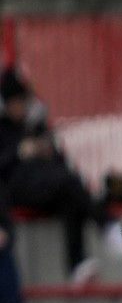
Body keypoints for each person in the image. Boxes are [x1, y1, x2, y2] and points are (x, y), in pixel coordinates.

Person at [0, 65, 103, 283]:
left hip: (45, 185)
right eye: (15, 102)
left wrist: (47, 152)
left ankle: (78, 264)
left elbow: (60, 161)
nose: (20, 107)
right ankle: (104, 224)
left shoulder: (35, 124)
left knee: (70, 193)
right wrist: (19, 153)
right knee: (68, 183)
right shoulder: (4, 129)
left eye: (23, 101)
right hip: (16, 189)